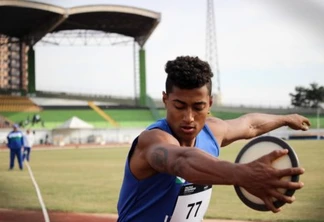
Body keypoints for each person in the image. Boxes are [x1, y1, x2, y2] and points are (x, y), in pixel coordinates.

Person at [117, 56, 311, 222]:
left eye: (198, 107)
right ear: (165, 100)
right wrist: (243, 174)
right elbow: (182, 161)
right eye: (179, 106)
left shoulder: (213, 132)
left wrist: (286, 119)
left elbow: (250, 124)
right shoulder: (153, 140)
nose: (189, 117)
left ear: (209, 103)